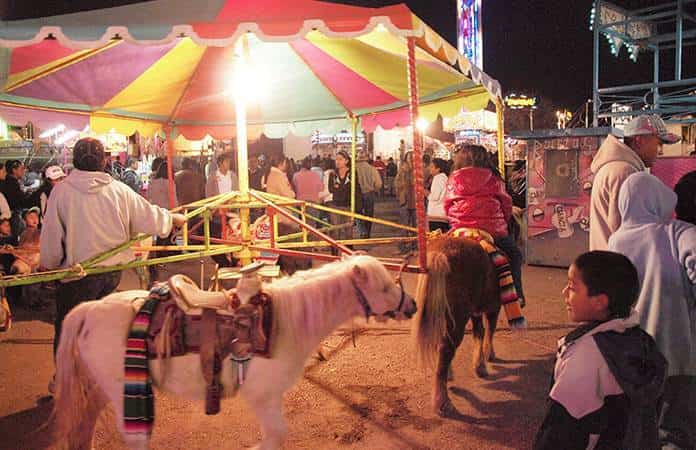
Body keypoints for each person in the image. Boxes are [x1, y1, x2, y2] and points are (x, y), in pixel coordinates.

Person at [40, 137, 186, 378]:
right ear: (103, 160)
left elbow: (52, 242)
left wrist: (51, 264)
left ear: (75, 161)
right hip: (110, 275)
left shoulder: (61, 192)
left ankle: (66, 380)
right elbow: (149, 216)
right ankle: (97, 375)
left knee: (70, 329)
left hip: (76, 277)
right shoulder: (118, 190)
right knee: (101, 327)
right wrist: (171, 220)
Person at [534, 251, 666, 450]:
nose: (564, 293)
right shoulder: (643, 341)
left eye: (572, 287)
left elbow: (560, 429)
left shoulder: (585, 357)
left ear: (599, 302)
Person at [608, 172, 696, 449]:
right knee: (674, 426)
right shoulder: (678, 231)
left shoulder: (616, 242)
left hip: (633, 354)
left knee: (640, 425)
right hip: (676, 348)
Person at [445, 144, 525, 305]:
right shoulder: (494, 178)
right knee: (515, 255)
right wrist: (504, 219)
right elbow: (506, 204)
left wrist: (456, 221)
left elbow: (447, 205)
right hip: (492, 232)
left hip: (461, 229)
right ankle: (516, 292)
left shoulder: (453, 179)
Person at [590, 114, 680, 250]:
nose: (660, 152)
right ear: (639, 141)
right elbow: (627, 234)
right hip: (618, 266)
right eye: (659, 144)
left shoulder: (615, 168)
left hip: (607, 263)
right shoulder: (625, 172)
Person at [328, 151, 358, 246]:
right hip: (335, 205)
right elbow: (331, 189)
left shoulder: (352, 173)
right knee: (335, 231)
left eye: (340, 159)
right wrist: (339, 188)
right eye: (336, 159)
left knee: (348, 232)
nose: (337, 162)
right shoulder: (333, 174)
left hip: (348, 205)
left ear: (346, 161)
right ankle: (335, 254)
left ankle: (349, 252)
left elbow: (355, 188)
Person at [1, 159, 35, 235]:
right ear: (14, 170)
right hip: (14, 215)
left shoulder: (11, 182)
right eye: (21, 169)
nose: (24, 171)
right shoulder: (11, 184)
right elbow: (18, 201)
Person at [355, 150, 382, 239]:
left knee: (358, 212)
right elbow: (378, 183)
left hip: (357, 194)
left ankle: (362, 231)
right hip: (369, 193)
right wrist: (375, 189)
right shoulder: (372, 169)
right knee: (369, 214)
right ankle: (367, 233)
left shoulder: (354, 168)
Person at [395, 151, 416, 254]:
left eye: (412, 158)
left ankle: (415, 246)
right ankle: (402, 247)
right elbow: (397, 183)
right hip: (405, 200)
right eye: (409, 158)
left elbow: (417, 182)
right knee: (404, 225)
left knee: (415, 226)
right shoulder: (402, 171)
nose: (410, 160)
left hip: (415, 201)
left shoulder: (417, 170)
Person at [426, 158, 449, 232]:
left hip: (436, 215)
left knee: (436, 239)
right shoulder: (444, 178)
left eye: (432, 166)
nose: (430, 168)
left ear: (438, 169)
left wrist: (425, 192)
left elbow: (434, 197)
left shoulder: (438, 178)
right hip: (442, 214)